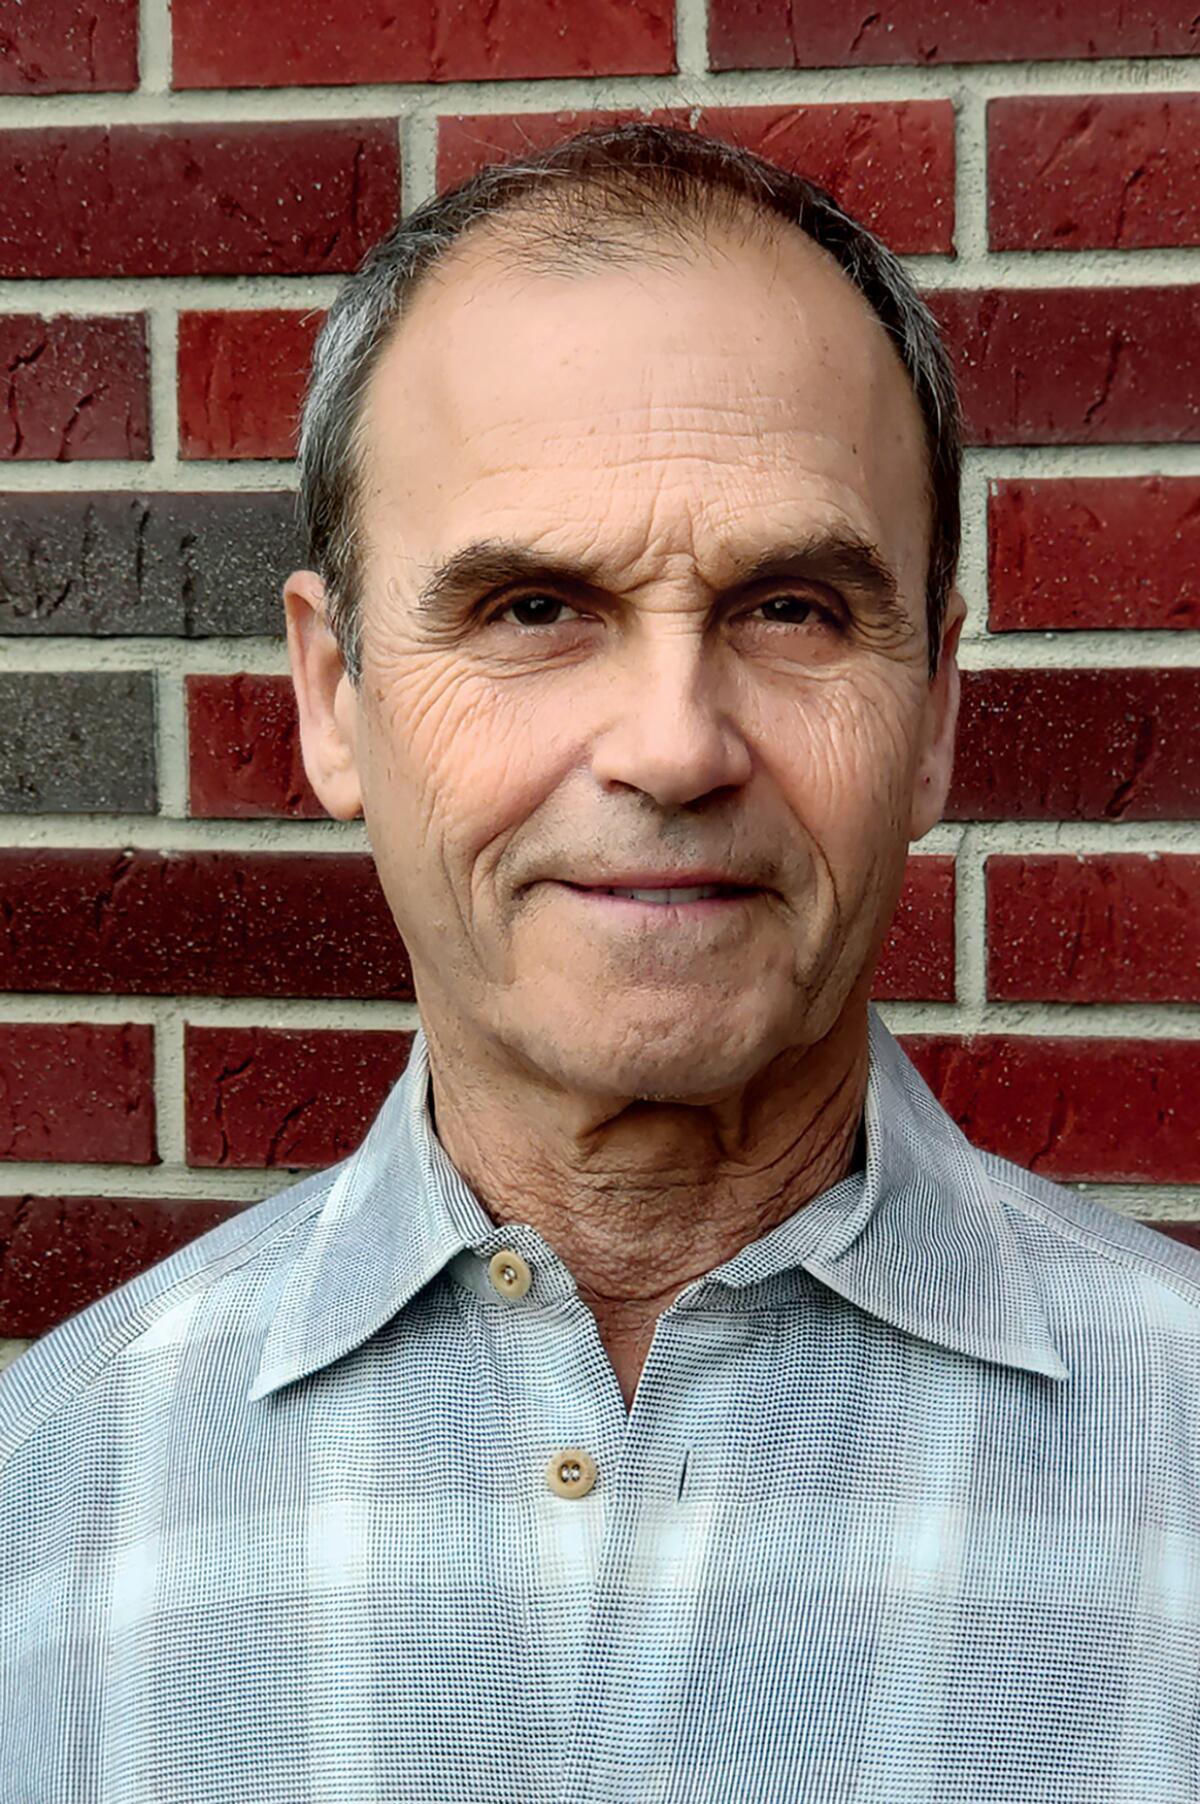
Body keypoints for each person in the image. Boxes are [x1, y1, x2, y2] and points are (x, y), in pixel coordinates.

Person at [1, 122, 1197, 1804]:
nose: (671, 746)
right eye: (533, 610)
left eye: (790, 608)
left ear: (934, 713)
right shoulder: (50, 1499)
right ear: (334, 697)